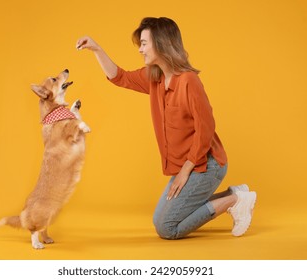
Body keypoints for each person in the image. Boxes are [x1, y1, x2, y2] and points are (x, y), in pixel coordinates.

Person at [76, 17, 257, 239]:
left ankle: (235, 201)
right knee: (160, 219)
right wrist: (96, 49)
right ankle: (233, 194)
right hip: (189, 165)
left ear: (161, 43)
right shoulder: (155, 78)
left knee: (167, 228)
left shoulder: (188, 81)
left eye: (144, 43)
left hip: (207, 164)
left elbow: (206, 127)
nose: (140, 49)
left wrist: (185, 170)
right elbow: (119, 77)